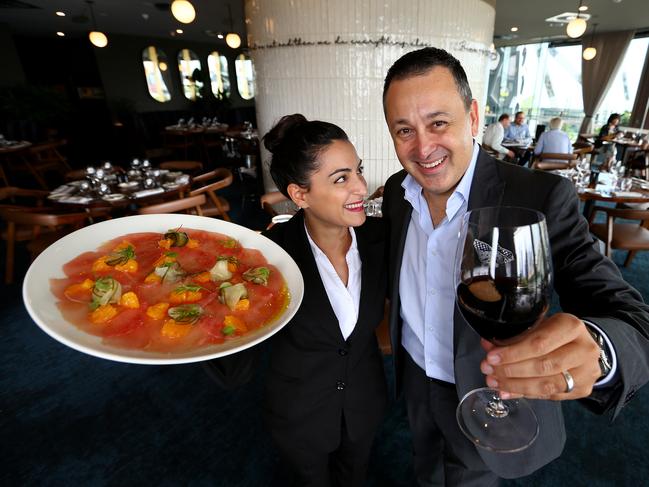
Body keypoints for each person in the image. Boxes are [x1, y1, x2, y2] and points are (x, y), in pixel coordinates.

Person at [381, 47, 649, 486]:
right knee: (425, 467)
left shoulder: (542, 197)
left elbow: (632, 317)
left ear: (472, 117)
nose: (423, 147)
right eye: (404, 130)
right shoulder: (396, 191)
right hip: (414, 377)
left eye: (438, 123)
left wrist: (600, 351)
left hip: (491, 390)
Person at [204, 114, 388, 487]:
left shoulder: (380, 238)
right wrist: (214, 298)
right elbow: (234, 371)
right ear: (300, 195)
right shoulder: (269, 260)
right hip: (299, 414)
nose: (361, 187)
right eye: (341, 178)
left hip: (365, 402)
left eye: (358, 171)